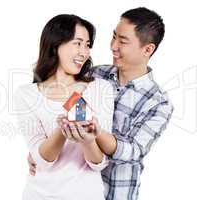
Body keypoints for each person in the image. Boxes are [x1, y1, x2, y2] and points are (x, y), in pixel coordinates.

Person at [27, 7, 174, 200]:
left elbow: (133, 151)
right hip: (73, 191)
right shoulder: (94, 75)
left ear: (147, 49)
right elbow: (56, 99)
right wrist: (39, 150)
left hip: (117, 193)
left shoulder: (159, 103)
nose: (113, 46)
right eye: (114, 37)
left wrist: (96, 133)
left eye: (122, 41)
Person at [14, 14, 114, 200]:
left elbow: (99, 162)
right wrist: (62, 130)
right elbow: (41, 160)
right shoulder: (26, 94)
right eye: (77, 43)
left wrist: (88, 140)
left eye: (88, 45)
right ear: (55, 44)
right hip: (39, 194)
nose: (84, 52)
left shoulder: (100, 88)